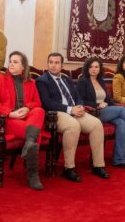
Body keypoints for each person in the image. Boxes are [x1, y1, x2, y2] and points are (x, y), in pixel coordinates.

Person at [35, 52, 109, 182]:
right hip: (56, 113)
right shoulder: (42, 80)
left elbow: (77, 97)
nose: (53, 65)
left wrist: (80, 106)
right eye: (51, 62)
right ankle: (68, 168)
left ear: (62, 65)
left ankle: (98, 165)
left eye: (57, 63)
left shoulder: (66, 79)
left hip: (74, 111)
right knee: (73, 126)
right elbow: (47, 103)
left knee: (96, 124)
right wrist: (70, 109)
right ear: (48, 64)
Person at [76, 56, 125, 168]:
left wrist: (111, 106)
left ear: (100, 69)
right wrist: (98, 105)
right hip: (93, 113)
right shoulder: (83, 81)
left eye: (96, 67)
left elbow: (109, 100)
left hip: (106, 110)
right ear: (87, 68)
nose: (94, 69)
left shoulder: (100, 81)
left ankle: (119, 159)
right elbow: (80, 100)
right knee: (122, 110)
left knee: (121, 123)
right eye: (91, 67)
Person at [0, 51, 45, 190]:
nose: (11, 64)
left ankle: (29, 143)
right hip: (9, 120)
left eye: (15, 62)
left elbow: (37, 102)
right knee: (37, 133)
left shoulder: (31, 82)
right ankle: (32, 175)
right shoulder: (1, 79)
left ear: (23, 66)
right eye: (10, 61)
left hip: (27, 117)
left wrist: (27, 108)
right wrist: (10, 113)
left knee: (39, 111)